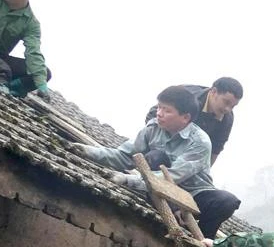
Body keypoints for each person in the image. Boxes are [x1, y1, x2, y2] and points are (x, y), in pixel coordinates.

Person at [71, 85, 241, 237]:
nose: (159, 114)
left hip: (192, 191)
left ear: (185, 117)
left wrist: (126, 179)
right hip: (160, 186)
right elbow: (124, 156)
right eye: (159, 107)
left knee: (227, 201)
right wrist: (87, 151)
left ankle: (203, 240)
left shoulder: (200, 142)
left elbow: (173, 177)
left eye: (166, 110)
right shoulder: (152, 128)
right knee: (155, 157)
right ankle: (171, 210)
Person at [145, 77, 243, 163]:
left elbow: (215, 149)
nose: (227, 109)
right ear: (213, 92)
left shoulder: (227, 119)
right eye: (226, 102)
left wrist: (204, 170)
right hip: (163, 145)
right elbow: (154, 114)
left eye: (233, 106)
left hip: (190, 155)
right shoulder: (186, 95)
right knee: (155, 158)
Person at [0, 0, 50, 100]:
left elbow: (33, 52)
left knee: (43, 73)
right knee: (4, 70)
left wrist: (42, 85)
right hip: (2, 67)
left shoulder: (31, 23)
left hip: (1, 59)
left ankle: (10, 88)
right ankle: (2, 81)